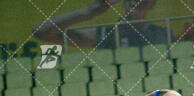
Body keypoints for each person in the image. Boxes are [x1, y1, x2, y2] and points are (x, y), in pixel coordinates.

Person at [33, 0, 172, 49]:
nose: (135, 2)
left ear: (153, 3)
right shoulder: (105, 35)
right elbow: (41, 32)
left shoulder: (163, 34)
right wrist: (87, 13)